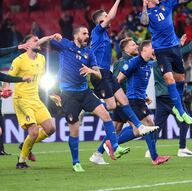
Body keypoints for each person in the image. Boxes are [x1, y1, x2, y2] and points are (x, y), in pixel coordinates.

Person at [34, 27, 130, 172]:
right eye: (84, 34)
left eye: (87, 34)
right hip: (68, 95)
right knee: (75, 130)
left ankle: (115, 147)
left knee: (105, 115)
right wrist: (50, 36)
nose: (87, 36)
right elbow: (37, 44)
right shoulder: (65, 44)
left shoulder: (89, 52)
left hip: (85, 92)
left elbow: (98, 74)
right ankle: (76, 162)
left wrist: (90, 70)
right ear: (76, 35)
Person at [90, 0, 158, 155]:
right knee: (122, 115)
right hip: (100, 74)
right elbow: (121, 78)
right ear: (100, 21)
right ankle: (150, 153)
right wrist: (119, 0)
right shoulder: (97, 31)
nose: (109, 17)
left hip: (107, 76)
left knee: (119, 123)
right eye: (105, 16)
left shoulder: (104, 35)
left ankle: (100, 152)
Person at [140, 0, 192, 125]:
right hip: (161, 50)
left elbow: (182, 0)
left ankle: (176, 107)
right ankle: (180, 110)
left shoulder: (166, 3)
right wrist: (144, 5)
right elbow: (143, 22)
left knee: (180, 78)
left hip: (174, 47)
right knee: (169, 79)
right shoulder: (146, 13)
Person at [111, 40, 171, 165]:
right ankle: (154, 157)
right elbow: (118, 80)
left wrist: (145, 95)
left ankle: (111, 144)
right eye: (152, 47)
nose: (154, 49)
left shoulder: (147, 64)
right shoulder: (134, 62)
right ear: (144, 50)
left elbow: (138, 83)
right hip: (132, 100)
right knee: (146, 126)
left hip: (139, 99)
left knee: (141, 129)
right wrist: (117, 97)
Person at [3, 35, 56, 169]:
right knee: (33, 131)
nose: (37, 42)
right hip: (22, 99)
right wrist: (6, 88)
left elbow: (40, 81)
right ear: (26, 45)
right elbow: (7, 77)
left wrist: (50, 94)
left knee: (50, 129)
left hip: (35, 98)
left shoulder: (42, 59)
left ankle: (25, 144)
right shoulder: (19, 60)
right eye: (34, 40)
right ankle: (21, 161)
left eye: (38, 40)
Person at [154, 28, 192, 158]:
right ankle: (182, 148)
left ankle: (151, 148)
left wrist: (179, 45)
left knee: (158, 125)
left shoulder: (156, 60)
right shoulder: (165, 59)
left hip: (160, 96)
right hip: (171, 96)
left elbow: (178, 51)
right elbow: (184, 51)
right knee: (185, 119)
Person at [89, 37, 139, 165]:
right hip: (120, 101)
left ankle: (98, 154)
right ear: (126, 48)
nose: (136, 46)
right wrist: (117, 98)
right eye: (133, 45)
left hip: (122, 100)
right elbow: (115, 81)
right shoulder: (122, 62)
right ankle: (153, 154)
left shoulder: (132, 60)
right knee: (138, 128)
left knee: (116, 129)